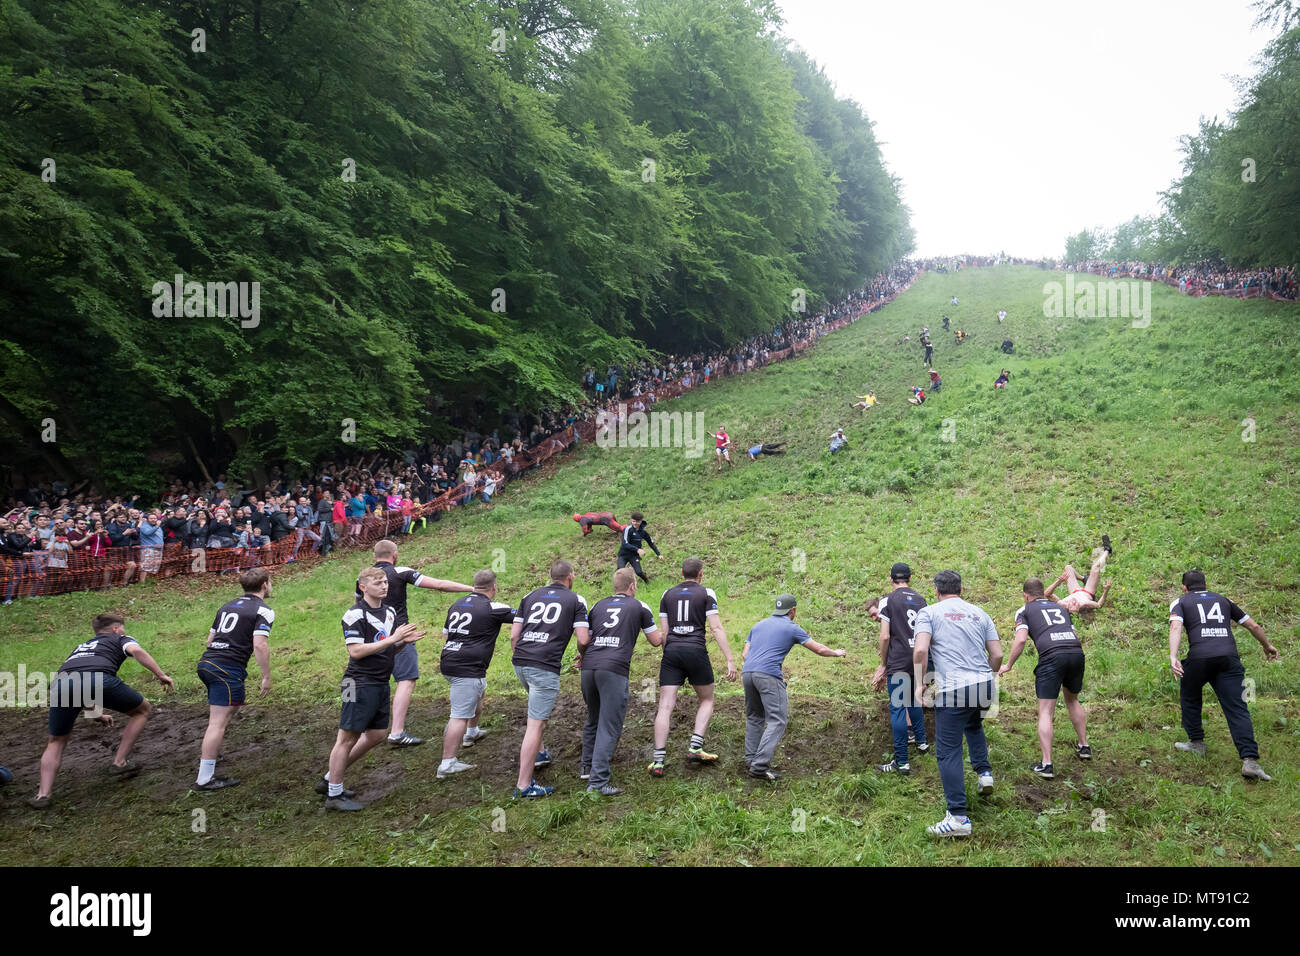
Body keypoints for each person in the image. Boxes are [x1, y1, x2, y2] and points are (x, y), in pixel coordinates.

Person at [28, 613, 175, 810]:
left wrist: (96, 713)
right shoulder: (121, 639)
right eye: (122, 628)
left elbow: (78, 682)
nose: (124, 631)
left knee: (56, 741)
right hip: (98, 679)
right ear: (116, 629)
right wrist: (161, 674)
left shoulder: (81, 647)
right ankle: (120, 762)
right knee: (142, 710)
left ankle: (42, 795)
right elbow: (137, 652)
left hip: (61, 684)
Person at [322, 566, 425, 811]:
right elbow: (356, 651)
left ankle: (329, 779)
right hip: (356, 683)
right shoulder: (354, 615)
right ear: (363, 587)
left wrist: (400, 643)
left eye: (385, 582)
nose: (384, 586)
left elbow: (384, 647)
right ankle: (334, 795)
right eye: (378, 583)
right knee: (347, 737)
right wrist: (392, 639)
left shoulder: (389, 612)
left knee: (377, 734)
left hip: (379, 681)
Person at [356, 540, 473, 747]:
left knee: (376, 679)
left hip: (370, 637)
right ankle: (397, 731)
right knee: (406, 679)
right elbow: (439, 585)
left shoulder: (364, 578)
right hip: (400, 634)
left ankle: (364, 726)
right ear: (395, 554)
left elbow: (357, 606)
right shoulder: (401, 571)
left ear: (375, 556)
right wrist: (472, 588)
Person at [912, 570, 1002, 837]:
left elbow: (920, 650)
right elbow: (996, 653)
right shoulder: (979, 613)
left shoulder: (929, 613)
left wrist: (919, 683)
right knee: (973, 726)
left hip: (954, 687)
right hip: (983, 682)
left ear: (937, 590)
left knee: (948, 750)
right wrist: (988, 675)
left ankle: (958, 818)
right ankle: (984, 773)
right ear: (961, 589)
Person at [1169, 569, 1278, 780]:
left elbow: (1176, 626)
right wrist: (1267, 646)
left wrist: (1173, 656)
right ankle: (1250, 761)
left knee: (1190, 695)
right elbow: (1252, 625)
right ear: (1206, 584)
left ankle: (1196, 743)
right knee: (1237, 707)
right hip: (1228, 659)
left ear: (1184, 587)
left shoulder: (1180, 602)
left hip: (1199, 657)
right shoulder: (1224, 600)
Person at [576, 568, 663, 795]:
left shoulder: (597, 605)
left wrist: (582, 657)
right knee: (609, 724)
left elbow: (584, 640)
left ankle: (587, 766)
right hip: (613, 669)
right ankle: (598, 782)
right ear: (632, 586)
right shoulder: (639, 606)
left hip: (589, 668)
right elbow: (655, 641)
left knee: (593, 718)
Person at [742, 594, 845, 781]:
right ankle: (759, 766)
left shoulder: (758, 625)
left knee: (754, 717)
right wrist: (836, 653)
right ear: (793, 610)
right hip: (769, 675)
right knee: (777, 720)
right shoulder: (791, 627)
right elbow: (819, 649)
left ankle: (751, 760)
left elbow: (745, 654)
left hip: (747, 673)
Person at [509, 559, 589, 798]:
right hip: (544, 665)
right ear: (570, 577)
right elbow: (583, 639)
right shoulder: (576, 600)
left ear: (550, 575)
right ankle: (524, 785)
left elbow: (514, 636)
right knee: (536, 724)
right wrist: (583, 656)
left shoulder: (529, 595)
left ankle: (541, 753)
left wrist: (523, 656)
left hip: (521, 662)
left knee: (535, 713)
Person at [650, 557, 736, 777]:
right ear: (701, 574)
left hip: (672, 652)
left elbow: (665, 632)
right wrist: (730, 659)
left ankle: (658, 761)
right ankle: (695, 747)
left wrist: (668, 657)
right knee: (707, 699)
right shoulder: (707, 593)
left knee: (665, 706)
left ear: (681, 572)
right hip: (696, 650)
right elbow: (716, 627)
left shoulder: (666, 594)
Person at [998, 578, 1089, 779]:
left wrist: (1008, 665)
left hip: (1052, 656)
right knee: (1072, 700)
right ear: (1042, 592)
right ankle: (1084, 746)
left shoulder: (1025, 610)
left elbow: (1021, 639)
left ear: (1026, 596)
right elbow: (1073, 634)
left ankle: (1046, 764)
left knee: (1046, 711)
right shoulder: (1060, 607)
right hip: (1075, 652)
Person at [194, 568, 275, 792]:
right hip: (226, 668)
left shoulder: (226, 606)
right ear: (265, 585)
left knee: (230, 711)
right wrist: (266, 676)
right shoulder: (264, 611)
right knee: (217, 723)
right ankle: (205, 778)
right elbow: (259, 644)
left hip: (207, 663)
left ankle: (211, 754)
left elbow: (209, 640)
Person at [436, 569, 516, 779]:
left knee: (479, 691)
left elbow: (446, 634)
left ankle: (472, 732)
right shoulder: (494, 607)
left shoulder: (457, 604)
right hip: (467, 666)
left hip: (449, 660)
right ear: (494, 587)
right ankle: (448, 762)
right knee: (459, 715)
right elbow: (522, 617)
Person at [872, 563, 930, 775]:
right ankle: (922, 742)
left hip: (898, 659)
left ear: (891, 580)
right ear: (910, 578)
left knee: (898, 706)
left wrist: (883, 663)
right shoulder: (922, 600)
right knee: (913, 699)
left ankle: (902, 761)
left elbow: (885, 635)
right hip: (918, 657)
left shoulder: (887, 600)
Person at [1045, 538, 1112, 613]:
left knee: (1068, 568)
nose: (1074, 602)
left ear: (1067, 607)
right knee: (1096, 567)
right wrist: (1106, 590)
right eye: (1076, 605)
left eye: (1072, 605)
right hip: (1088, 592)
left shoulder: (1063, 603)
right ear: (1079, 607)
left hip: (1074, 590)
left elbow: (1047, 594)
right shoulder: (1084, 603)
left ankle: (1083, 578)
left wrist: (1058, 581)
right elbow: (1099, 605)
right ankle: (1108, 550)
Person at [617, 511, 661, 584]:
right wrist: (637, 549)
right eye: (633, 521)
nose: (635, 523)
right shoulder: (628, 529)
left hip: (634, 555)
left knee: (639, 572)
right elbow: (625, 543)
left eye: (637, 522)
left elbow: (651, 543)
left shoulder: (643, 532)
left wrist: (658, 554)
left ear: (641, 521)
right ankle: (621, 586)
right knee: (620, 571)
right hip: (623, 554)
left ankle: (647, 582)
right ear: (631, 520)